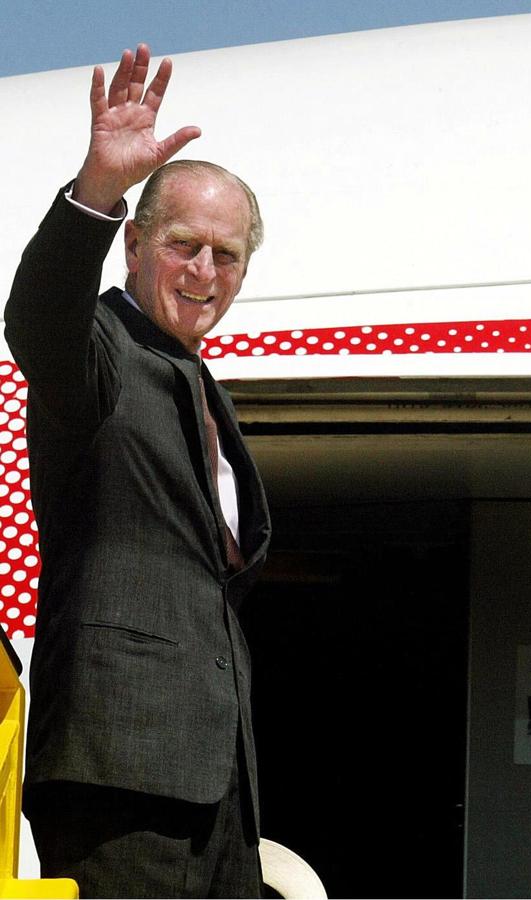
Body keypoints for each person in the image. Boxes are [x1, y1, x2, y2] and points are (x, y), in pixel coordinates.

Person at [4, 45, 270, 898]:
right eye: (184, 245)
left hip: (217, 780)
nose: (204, 272)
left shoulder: (194, 380)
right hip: (117, 766)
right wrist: (98, 189)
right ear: (134, 244)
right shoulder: (102, 348)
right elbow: (40, 316)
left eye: (226, 256)